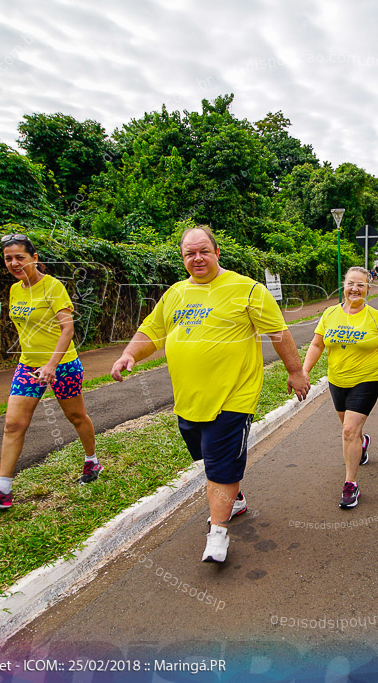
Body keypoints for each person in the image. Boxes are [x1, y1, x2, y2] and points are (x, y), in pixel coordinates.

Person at [111, 226, 310, 563]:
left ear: (217, 252)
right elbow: (152, 331)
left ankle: (218, 533)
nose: (197, 258)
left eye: (204, 251)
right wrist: (130, 354)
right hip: (188, 399)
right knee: (207, 457)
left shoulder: (247, 289)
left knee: (218, 466)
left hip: (234, 396)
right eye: (190, 253)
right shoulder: (176, 293)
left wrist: (295, 371)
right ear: (183, 258)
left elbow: (278, 332)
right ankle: (236, 497)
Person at [0, 234, 100, 508]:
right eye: (8, 259)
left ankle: (92, 462)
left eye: (20, 257)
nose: (14, 263)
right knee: (14, 424)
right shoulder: (16, 289)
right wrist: (36, 360)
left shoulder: (53, 287)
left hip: (63, 365)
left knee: (76, 416)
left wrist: (51, 364)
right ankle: (3, 489)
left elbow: (68, 329)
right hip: (29, 365)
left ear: (35, 258)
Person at [302, 267, 378, 508]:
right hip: (337, 380)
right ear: (343, 285)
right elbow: (317, 345)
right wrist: (305, 371)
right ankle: (362, 445)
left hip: (366, 379)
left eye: (360, 285)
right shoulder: (329, 314)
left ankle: (350, 485)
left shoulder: (375, 317)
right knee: (350, 430)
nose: (355, 289)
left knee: (349, 431)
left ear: (368, 289)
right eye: (351, 284)